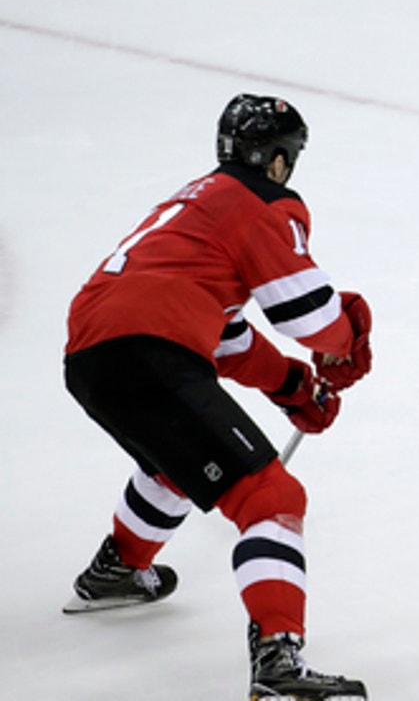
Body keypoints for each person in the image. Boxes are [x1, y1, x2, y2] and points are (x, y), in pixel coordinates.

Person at [62, 94, 372, 700]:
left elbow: (221, 333)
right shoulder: (263, 202)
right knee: (270, 493)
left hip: (91, 354)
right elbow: (306, 313)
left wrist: (291, 386)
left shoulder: (194, 203)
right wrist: (348, 338)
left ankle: (119, 569)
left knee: (176, 461)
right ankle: (279, 664)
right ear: (279, 160)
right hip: (150, 352)